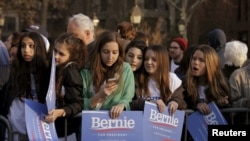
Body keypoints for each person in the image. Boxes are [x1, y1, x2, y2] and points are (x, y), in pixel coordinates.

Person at [0, 31, 51, 141]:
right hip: (11, 131)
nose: (26, 50)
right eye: (23, 46)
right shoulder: (12, 71)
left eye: (31, 46)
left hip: (37, 132)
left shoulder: (47, 73)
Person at [81, 31, 135, 119]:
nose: (110, 57)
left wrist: (122, 105)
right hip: (91, 123)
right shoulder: (86, 70)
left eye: (115, 52)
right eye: (106, 52)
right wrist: (98, 96)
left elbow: (128, 97)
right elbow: (79, 103)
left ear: (120, 53)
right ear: (99, 51)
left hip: (116, 123)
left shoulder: (125, 69)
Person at [45, 33, 87, 140]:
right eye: (55, 51)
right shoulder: (56, 67)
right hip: (57, 129)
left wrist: (61, 111)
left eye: (61, 54)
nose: (56, 56)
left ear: (71, 56)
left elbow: (78, 103)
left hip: (67, 131)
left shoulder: (70, 70)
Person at [130, 44, 187, 115]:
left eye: (154, 60)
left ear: (163, 61)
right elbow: (130, 103)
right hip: (141, 123)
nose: (149, 62)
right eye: (146, 59)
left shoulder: (173, 79)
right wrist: (148, 103)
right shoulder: (137, 79)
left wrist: (175, 102)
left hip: (164, 123)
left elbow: (181, 100)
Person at [183, 44, 230, 115]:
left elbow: (231, 113)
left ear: (211, 64)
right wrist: (196, 106)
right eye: (194, 58)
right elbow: (182, 104)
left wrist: (224, 104)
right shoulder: (185, 83)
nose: (195, 62)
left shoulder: (222, 85)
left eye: (201, 60)